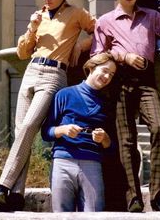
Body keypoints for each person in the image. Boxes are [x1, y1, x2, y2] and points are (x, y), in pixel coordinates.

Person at [0, 0, 95, 212]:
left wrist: (81, 45)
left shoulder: (77, 13)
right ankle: (16, 195)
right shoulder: (39, 16)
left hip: (53, 76)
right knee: (22, 132)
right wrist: (32, 28)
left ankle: (3, 186)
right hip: (31, 71)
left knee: (29, 127)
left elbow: (99, 30)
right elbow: (21, 53)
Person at [91, 0, 160, 213]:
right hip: (119, 84)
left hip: (146, 83)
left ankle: (158, 196)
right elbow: (97, 56)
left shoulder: (152, 16)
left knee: (159, 128)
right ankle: (133, 197)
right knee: (126, 141)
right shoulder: (104, 22)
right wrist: (122, 56)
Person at [41, 52, 116, 212]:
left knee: (94, 215)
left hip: (92, 164)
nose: (107, 77)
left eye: (111, 74)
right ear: (91, 67)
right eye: (104, 70)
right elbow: (46, 132)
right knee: (60, 215)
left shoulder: (107, 104)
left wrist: (104, 138)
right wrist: (63, 130)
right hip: (63, 161)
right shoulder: (64, 95)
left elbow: (111, 147)